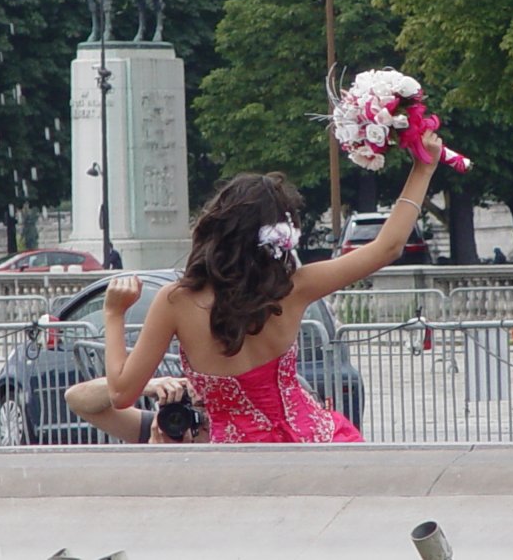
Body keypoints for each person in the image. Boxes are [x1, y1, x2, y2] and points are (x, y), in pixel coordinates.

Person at [102, 130, 443, 443]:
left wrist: (114, 313)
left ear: (215, 227)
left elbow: (121, 394)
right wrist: (423, 169)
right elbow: (388, 247)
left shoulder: (176, 302)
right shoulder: (293, 288)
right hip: (315, 441)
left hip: (237, 460)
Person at [64, 376, 208, 444]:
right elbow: (75, 398)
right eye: (199, 407)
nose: (204, 418)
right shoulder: (167, 430)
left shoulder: (228, 435)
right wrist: (142, 385)